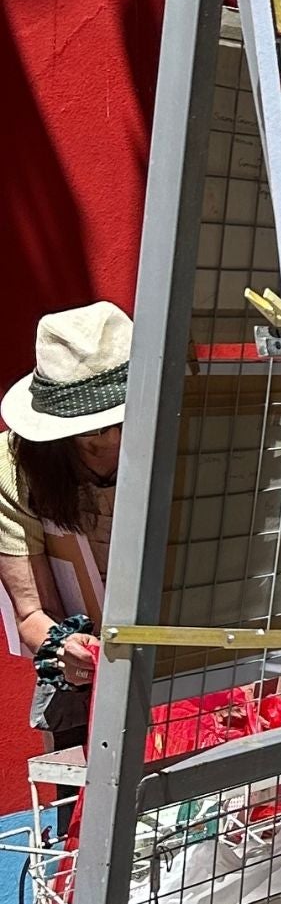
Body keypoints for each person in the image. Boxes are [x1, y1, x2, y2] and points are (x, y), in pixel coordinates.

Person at [0, 304, 130, 745]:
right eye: (92, 431)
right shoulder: (16, 468)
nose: (110, 440)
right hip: (87, 682)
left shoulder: (196, 435)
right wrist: (64, 648)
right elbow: (32, 613)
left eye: (121, 421)